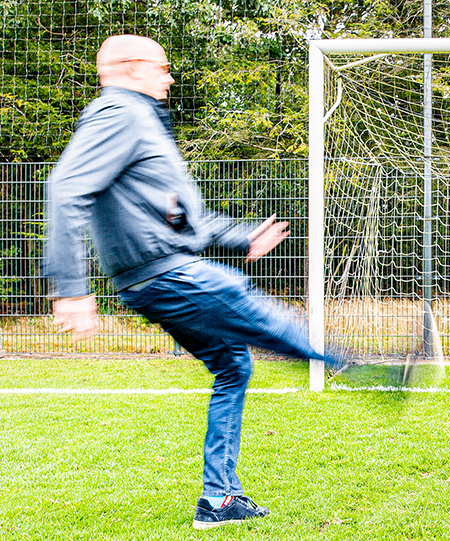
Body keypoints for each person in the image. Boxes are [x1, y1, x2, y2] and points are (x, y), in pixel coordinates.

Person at [45, 34, 330, 529]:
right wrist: (71, 288)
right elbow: (66, 189)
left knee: (232, 365)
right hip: (167, 276)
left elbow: (185, 222)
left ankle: (219, 501)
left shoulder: (144, 125)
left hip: (160, 274)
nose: (169, 76)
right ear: (132, 67)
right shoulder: (119, 112)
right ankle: (369, 366)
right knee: (245, 300)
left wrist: (242, 239)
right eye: (162, 67)